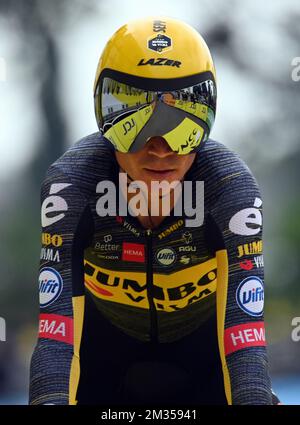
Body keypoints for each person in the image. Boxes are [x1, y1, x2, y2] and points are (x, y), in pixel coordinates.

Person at [29, 16, 279, 405]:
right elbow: (55, 338)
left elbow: (244, 340)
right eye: (134, 120)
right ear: (102, 117)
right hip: (102, 370)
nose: (160, 147)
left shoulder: (228, 187)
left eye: (184, 124)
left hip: (205, 370)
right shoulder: (71, 185)